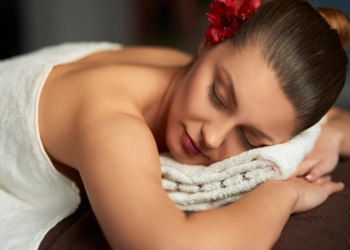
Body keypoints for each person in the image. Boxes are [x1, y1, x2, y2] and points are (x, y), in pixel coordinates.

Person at [0, 0, 349, 249]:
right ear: (209, 41)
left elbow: (340, 121)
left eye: (250, 140)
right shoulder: (112, 126)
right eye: (218, 96)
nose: (212, 136)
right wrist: (282, 194)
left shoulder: (192, 73)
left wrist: (329, 134)